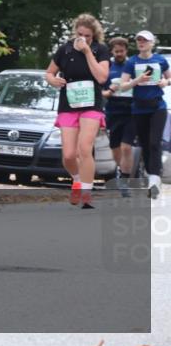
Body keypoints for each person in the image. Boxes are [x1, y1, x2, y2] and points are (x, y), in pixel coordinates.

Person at [45, 14, 110, 209]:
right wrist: (53, 80)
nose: (83, 38)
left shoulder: (101, 50)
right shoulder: (64, 49)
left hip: (91, 104)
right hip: (69, 104)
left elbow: (101, 77)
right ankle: (77, 179)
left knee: (84, 148)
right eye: (80, 34)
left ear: (94, 35)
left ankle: (87, 194)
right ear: (75, 32)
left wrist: (88, 51)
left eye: (87, 36)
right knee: (69, 155)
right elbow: (49, 73)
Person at [116, 30, 169, 199]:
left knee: (154, 143)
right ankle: (151, 176)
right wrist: (136, 81)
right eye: (139, 40)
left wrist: (164, 82)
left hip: (157, 107)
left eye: (145, 40)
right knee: (145, 145)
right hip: (139, 109)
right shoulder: (132, 62)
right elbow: (123, 86)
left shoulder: (160, 60)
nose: (141, 43)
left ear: (152, 43)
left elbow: (169, 78)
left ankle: (154, 182)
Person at [102, 37, 135, 186]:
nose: (119, 54)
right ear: (112, 51)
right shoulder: (107, 66)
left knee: (126, 147)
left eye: (122, 51)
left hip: (131, 110)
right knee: (115, 147)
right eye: (116, 51)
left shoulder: (133, 64)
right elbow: (99, 90)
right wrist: (109, 92)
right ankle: (122, 171)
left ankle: (125, 179)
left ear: (126, 50)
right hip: (113, 110)